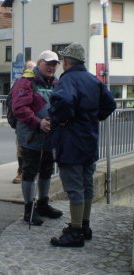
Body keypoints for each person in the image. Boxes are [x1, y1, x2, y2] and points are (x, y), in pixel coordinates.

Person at [49, 43, 116, 247]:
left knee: (74, 187)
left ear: (67, 62)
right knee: (87, 184)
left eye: (62, 61)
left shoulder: (67, 79)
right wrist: (93, 117)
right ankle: (84, 226)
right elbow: (110, 104)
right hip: (89, 139)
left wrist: (61, 120)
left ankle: (76, 231)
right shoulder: (93, 80)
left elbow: (65, 102)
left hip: (70, 141)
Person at [12, 50, 63, 226]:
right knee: (30, 172)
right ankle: (29, 209)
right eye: (48, 63)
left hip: (48, 137)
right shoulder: (26, 82)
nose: (51, 67)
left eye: (54, 64)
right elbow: (19, 108)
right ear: (39, 63)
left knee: (47, 170)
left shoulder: (56, 83)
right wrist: (38, 122)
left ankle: (43, 204)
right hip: (31, 136)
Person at [12, 60, 36, 184]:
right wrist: (14, 123)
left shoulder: (38, 84)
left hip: (36, 124)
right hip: (22, 124)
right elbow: (11, 104)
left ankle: (31, 173)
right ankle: (21, 172)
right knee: (21, 149)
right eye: (29, 69)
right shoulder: (19, 84)